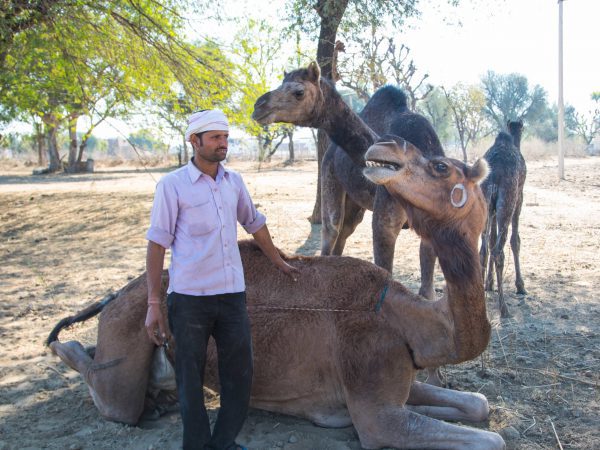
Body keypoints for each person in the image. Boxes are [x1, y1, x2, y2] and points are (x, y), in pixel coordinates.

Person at [144, 109, 299, 450]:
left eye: (225, 138)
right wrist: (154, 303)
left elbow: (253, 222)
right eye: (215, 138)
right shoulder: (172, 186)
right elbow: (157, 244)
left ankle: (223, 443)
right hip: (189, 300)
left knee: (240, 377)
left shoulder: (234, 182)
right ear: (194, 141)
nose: (222, 144)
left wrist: (278, 261)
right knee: (190, 380)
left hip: (231, 297)